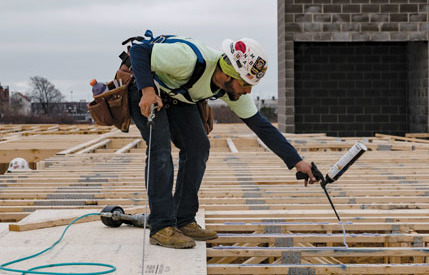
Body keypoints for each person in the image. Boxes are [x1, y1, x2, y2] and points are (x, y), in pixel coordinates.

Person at [128, 35, 315, 248]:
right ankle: (161, 226)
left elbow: (262, 127)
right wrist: (147, 91)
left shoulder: (230, 89)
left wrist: (297, 162)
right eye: (245, 84)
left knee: (198, 146)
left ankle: (184, 219)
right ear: (228, 74)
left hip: (179, 97)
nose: (249, 91)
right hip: (146, 87)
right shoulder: (188, 59)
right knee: (160, 148)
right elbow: (139, 51)